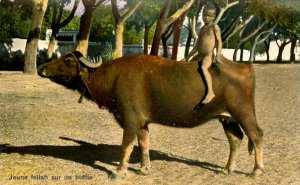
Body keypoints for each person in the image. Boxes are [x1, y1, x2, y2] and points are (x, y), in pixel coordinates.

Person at [182, 3, 223, 110]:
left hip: (208, 55)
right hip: (199, 54)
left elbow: (219, 42)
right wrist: (187, 57)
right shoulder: (202, 29)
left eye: (209, 16)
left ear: (213, 17)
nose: (206, 17)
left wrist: (218, 55)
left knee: (204, 68)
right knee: (187, 66)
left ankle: (210, 92)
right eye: (205, 15)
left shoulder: (215, 27)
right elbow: (196, 47)